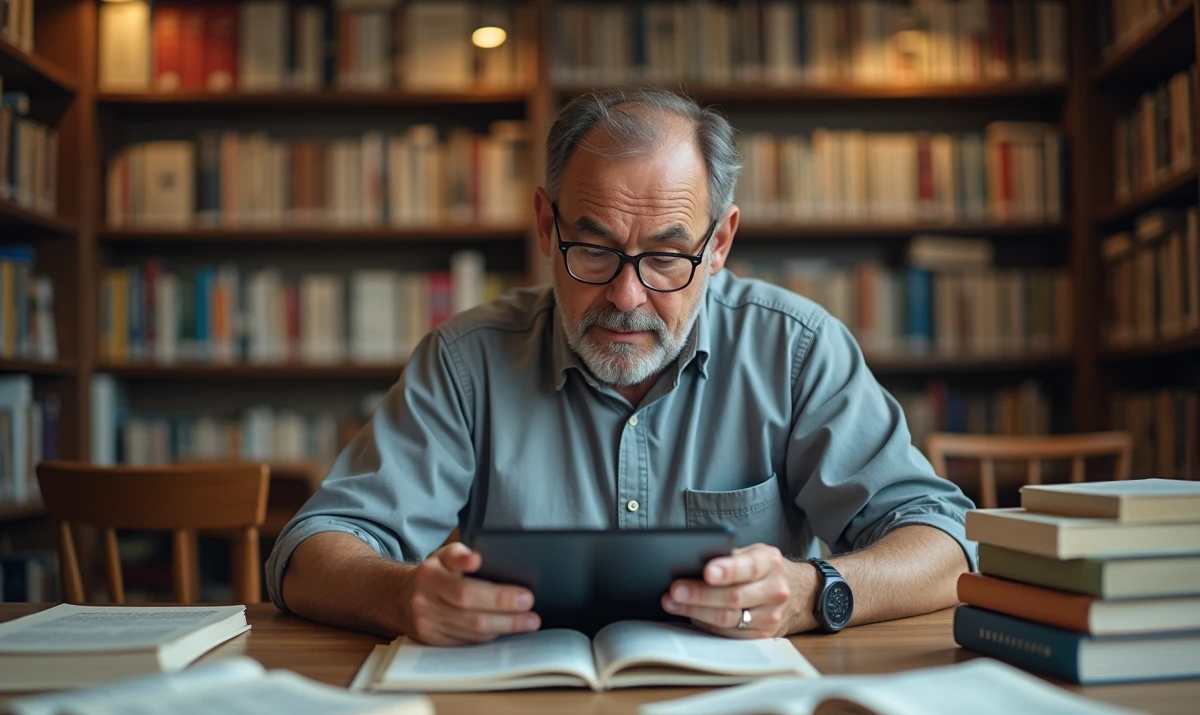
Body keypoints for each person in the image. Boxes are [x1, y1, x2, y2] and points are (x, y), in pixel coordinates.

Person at [266, 86, 975, 646]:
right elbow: (308, 553)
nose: (627, 297)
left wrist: (815, 592)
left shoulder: (796, 350)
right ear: (547, 225)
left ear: (720, 243)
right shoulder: (465, 362)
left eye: (667, 256)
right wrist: (401, 596)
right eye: (595, 250)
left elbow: (944, 541)